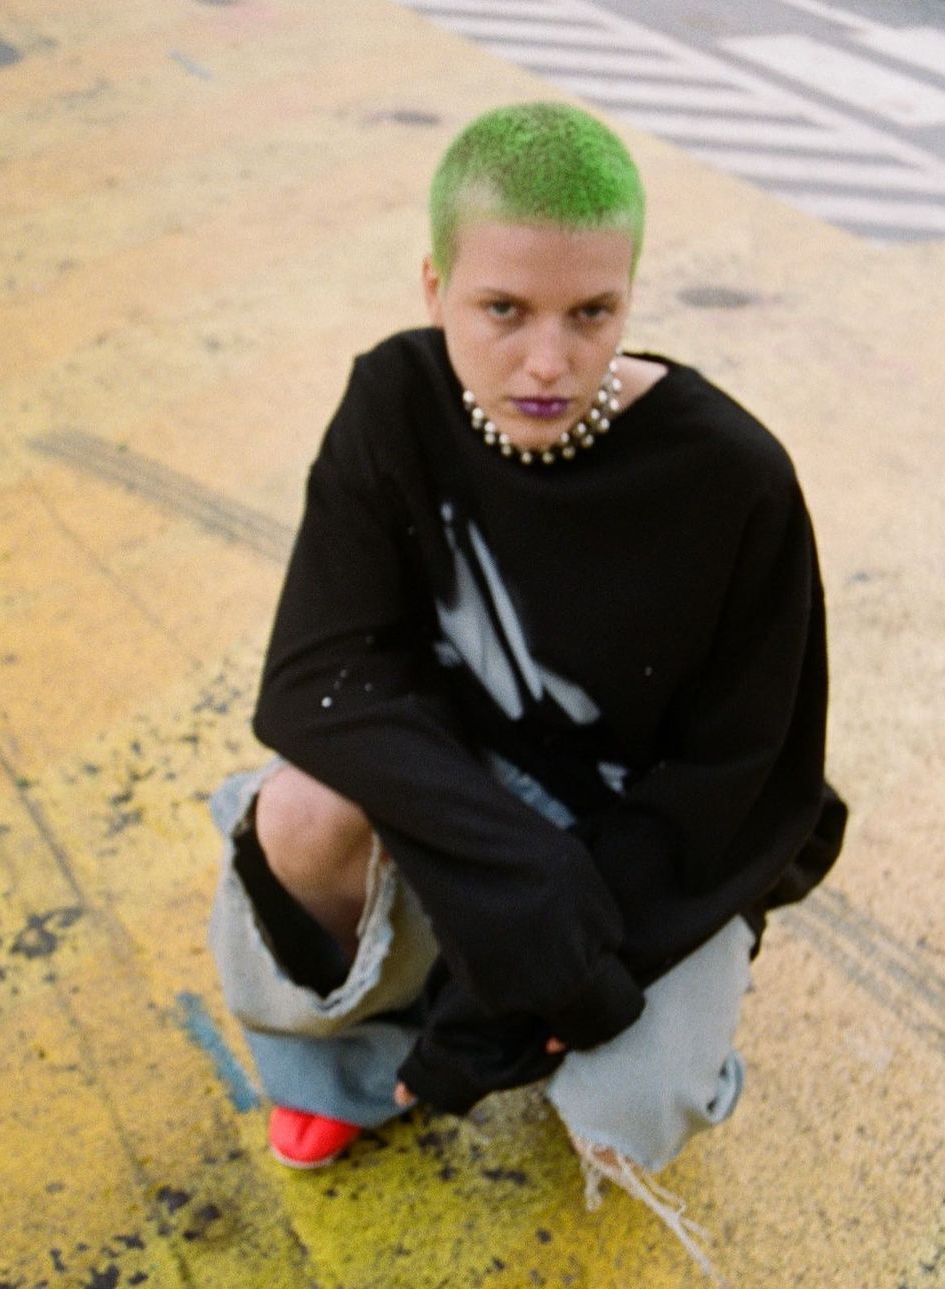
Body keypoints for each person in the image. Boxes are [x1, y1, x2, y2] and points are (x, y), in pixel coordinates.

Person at [208, 101, 846, 1270]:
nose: (547, 361)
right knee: (300, 808)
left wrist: (525, 987)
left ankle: (666, 1036)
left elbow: (749, 776)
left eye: (591, 312)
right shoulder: (394, 401)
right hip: (475, 778)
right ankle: (353, 1065)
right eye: (502, 308)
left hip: (657, 832)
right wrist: (515, 878)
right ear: (435, 285)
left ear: (630, 296)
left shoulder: (733, 478)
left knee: (626, 1113)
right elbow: (320, 675)